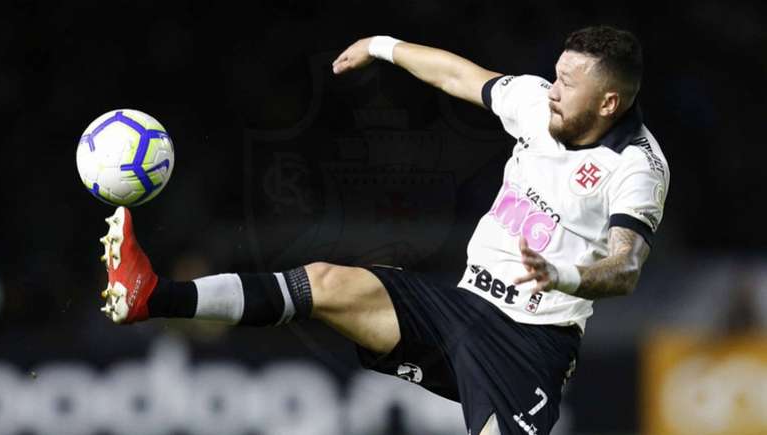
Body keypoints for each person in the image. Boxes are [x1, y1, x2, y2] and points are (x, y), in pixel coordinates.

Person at [98, 25, 669, 435]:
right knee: (325, 283)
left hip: (527, 344)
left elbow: (626, 267)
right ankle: (153, 296)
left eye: (568, 84)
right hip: (461, 307)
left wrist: (561, 273)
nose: (553, 89)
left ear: (609, 102)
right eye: (556, 74)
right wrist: (381, 47)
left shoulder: (636, 169)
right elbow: (459, 75)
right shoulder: (537, 105)